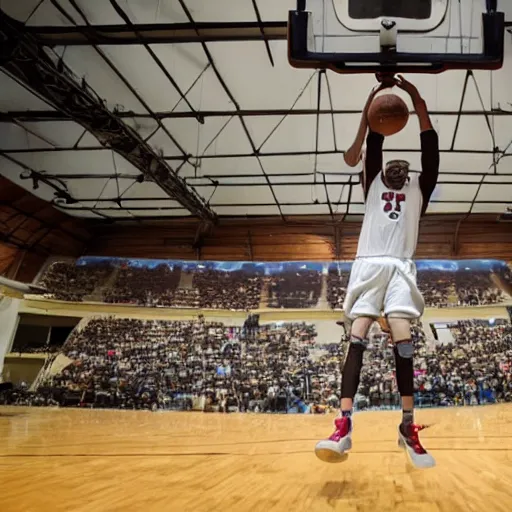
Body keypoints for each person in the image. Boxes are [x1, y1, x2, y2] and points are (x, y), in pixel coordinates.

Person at [315, 75, 439, 469]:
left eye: (406, 168)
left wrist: (416, 99)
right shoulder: (370, 181)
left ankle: (407, 426)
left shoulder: (422, 185)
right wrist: (373, 100)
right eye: (392, 166)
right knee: (358, 335)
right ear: (383, 169)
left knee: (403, 340)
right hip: (369, 263)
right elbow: (374, 142)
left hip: (401, 267)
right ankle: (344, 425)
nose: (399, 169)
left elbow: (430, 145)